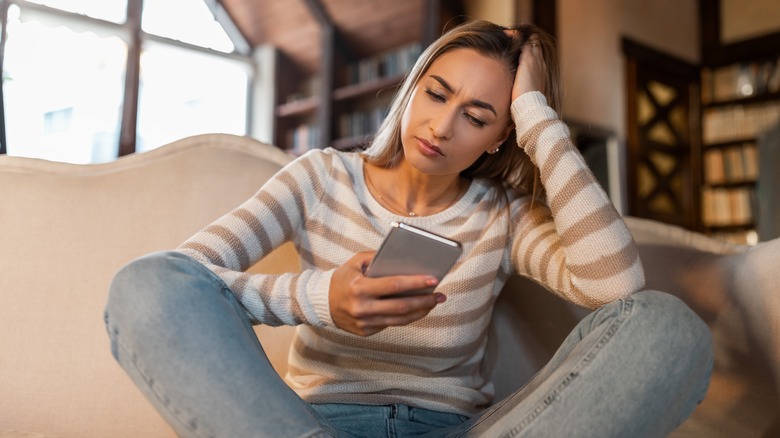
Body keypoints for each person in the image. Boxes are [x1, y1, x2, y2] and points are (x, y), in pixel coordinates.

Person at [104, 20, 713, 437]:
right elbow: (183, 280)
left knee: (666, 324)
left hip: (461, 429)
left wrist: (536, 115)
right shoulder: (320, 178)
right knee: (143, 284)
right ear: (412, 88)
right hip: (313, 426)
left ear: (501, 137)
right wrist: (320, 299)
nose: (442, 127)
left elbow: (614, 287)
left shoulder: (501, 215)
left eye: (477, 117)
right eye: (436, 94)